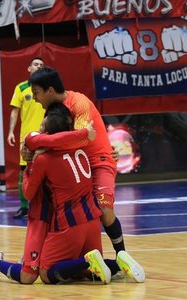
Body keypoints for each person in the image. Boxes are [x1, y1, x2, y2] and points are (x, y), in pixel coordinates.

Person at [0, 103, 141, 284]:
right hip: (90, 219)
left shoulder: (43, 157)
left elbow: (28, 193)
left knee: (40, 274)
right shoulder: (81, 147)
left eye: (42, 126)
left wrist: (29, 166)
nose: (39, 129)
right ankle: (119, 263)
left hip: (59, 220)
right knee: (78, 272)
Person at [22, 66, 145, 282]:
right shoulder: (55, 108)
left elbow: (77, 139)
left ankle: (122, 255)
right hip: (79, 165)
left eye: (37, 92)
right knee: (78, 213)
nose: (34, 98)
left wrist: (35, 142)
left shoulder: (78, 103)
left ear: (50, 90)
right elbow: (64, 139)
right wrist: (32, 144)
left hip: (98, 162)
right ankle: (87, 261)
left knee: (104, 208)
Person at [7, 57, 45, 219]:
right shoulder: (21, 88)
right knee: (24, 172)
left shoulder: (47, 88)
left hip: (46, 136)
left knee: (47, 170)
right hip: (27, 138)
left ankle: (46, 206)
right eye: (36, 64)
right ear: (29, 68)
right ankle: (24, 207)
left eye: (42, 65)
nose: (39, 67)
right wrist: (10, 132)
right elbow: (15, 111)